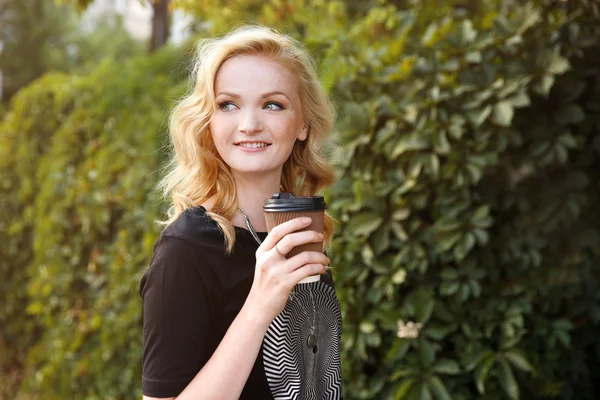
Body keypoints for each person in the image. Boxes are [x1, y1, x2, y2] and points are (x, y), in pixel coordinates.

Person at [139, 25, 343, 400]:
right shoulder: (185, 251)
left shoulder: (301, 230)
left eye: (272, 104)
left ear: (302, 124)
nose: (249, 124)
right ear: (209, 123)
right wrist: (258, 306)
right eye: (228, 104)